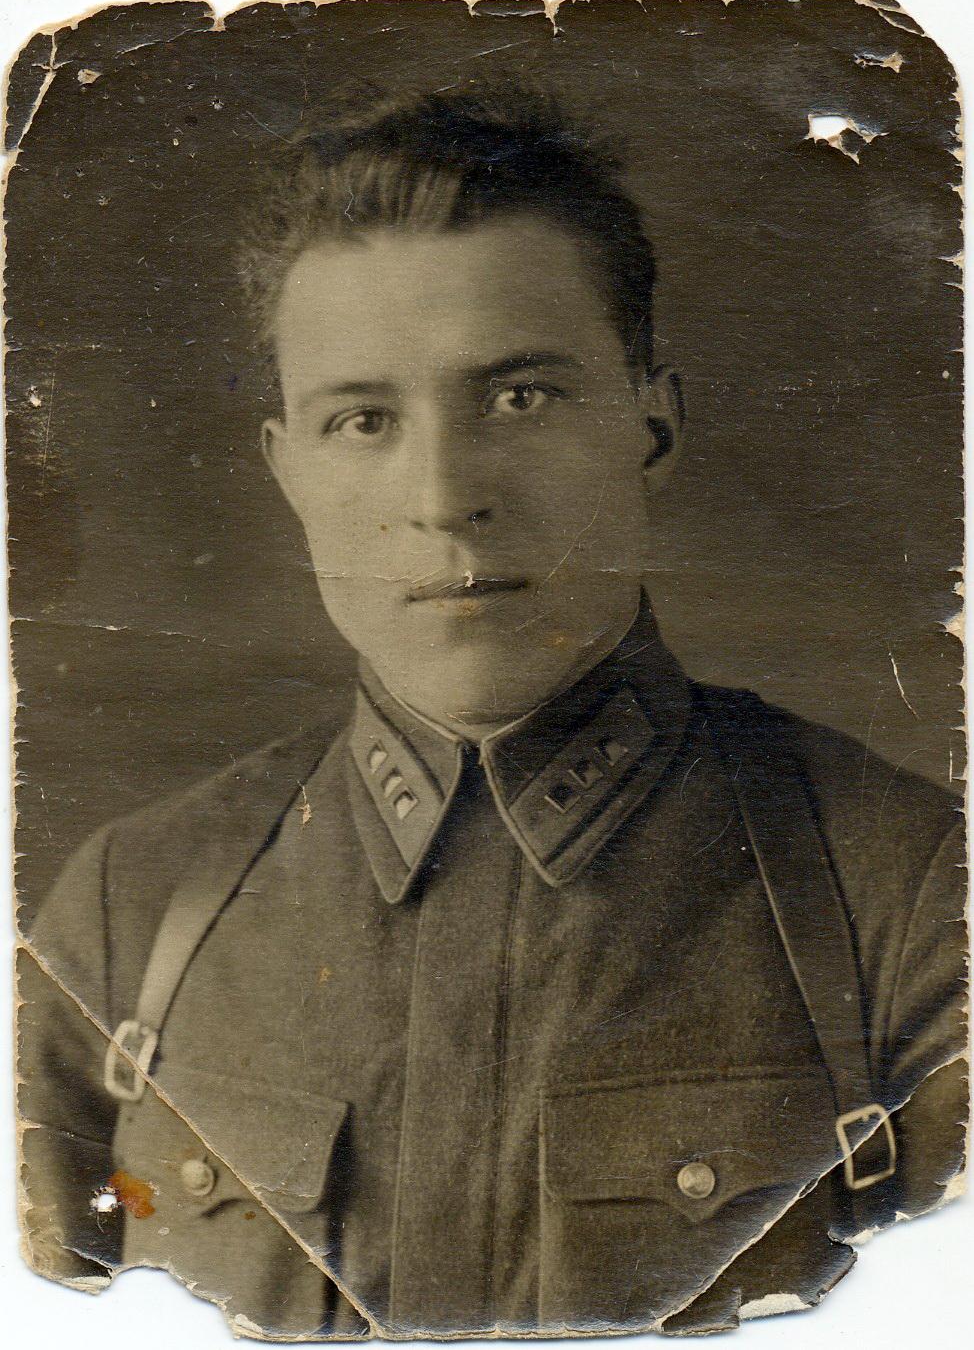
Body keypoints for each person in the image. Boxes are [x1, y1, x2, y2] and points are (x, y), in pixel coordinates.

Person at [19, 79, 967, 1341]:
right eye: (362, 420)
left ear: (650, 427)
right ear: (289, 471)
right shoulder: (127, 911)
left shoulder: (911, 902)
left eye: (520, 397)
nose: (442, 496)